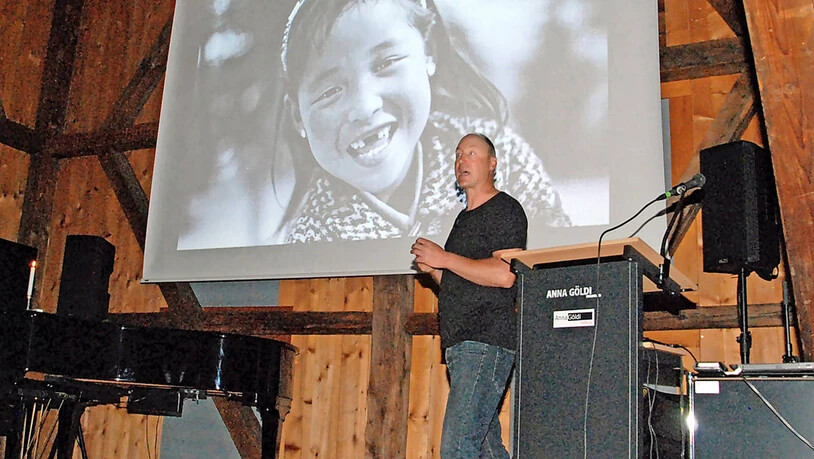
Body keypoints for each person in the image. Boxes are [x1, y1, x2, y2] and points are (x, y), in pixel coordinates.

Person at [272, 0, 570, 244]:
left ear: (429, 52)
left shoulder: (501, 157)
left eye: (384, 64)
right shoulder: (311, 240)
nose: (364, 107)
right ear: (298, 115)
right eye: (330, 90)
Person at [410, 133, 526, 458]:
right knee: (488, 449)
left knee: (457, 447)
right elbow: (463, 281)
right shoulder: (464, 219)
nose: (462, 160)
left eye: (471, 153)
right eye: (458, 154)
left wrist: (444, 258)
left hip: (485, 342)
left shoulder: (505, 209)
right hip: (462, 345)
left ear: (492, 164)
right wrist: (434, 269)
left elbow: (505, 274)